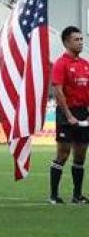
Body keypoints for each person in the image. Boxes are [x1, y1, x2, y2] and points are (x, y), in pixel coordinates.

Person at [49, 26, 89, 204]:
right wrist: (68, 115)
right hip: (66, 113)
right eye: (76, 39)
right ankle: (54, 195)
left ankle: (77, 195)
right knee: (63, 154)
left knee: (80, 155)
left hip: (83, 112)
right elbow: (58, 91)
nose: (80, 42)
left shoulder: (85, 64)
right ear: (66, 42)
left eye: (81, 39)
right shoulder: (60, 63)